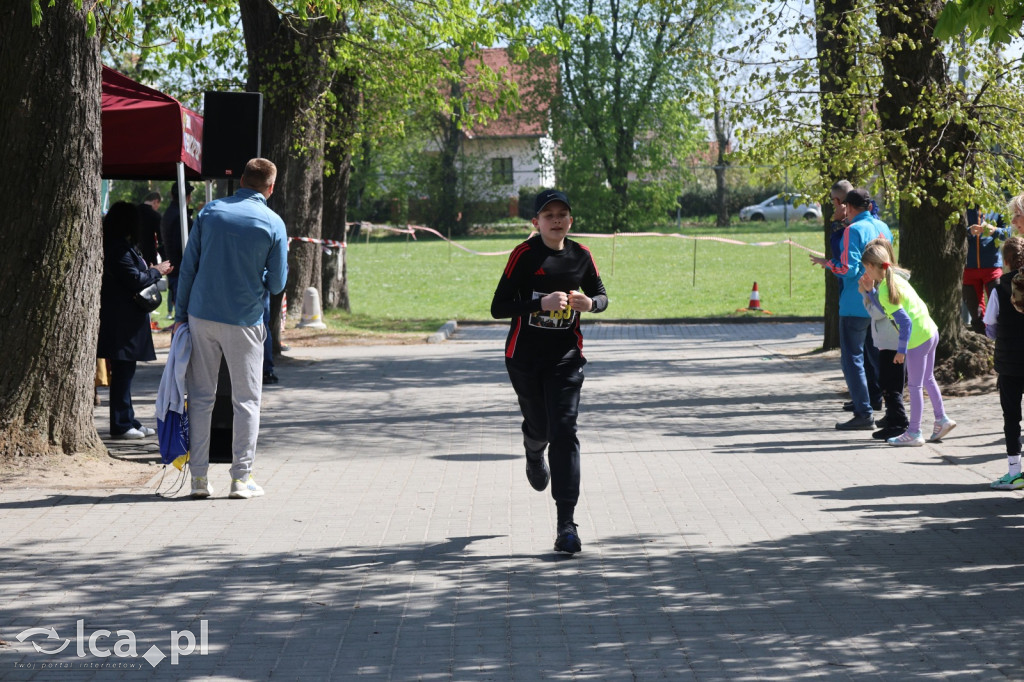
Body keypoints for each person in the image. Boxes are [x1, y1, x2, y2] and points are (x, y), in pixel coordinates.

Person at [490, 189, 609, 554]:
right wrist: (538, 303)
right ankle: (531, 449)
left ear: (570, 220)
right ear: (536, 222)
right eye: (548, 214)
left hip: (566, 359)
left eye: (562, 214)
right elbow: (498, 307)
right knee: (541, 428)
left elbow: (602, 296)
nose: (556, 220)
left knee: (565, 432)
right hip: (524, 358)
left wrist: (591, 303)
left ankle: (566, 525)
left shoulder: (581, 255)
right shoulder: (524, 256)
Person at [172, 159, 288, 499]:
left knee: (201, 397)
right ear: (271, 187)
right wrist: (261, 277)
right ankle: (241, 478)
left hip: (202, 314)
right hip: (245, 319)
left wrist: (180, 315)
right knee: (247, 400)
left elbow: (188, 267)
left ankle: (198, 478)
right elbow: (278, 281)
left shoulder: (209, 213)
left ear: (240, 179)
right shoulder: (273, 222)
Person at [859, 239, 956, 446]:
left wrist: (901, 350)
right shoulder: (894, 280)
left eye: (865, 267)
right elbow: (887, 307)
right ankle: (942, 419)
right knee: (928, 378)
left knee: (914, 386)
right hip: (931, 332)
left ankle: (914, 433)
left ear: (871, 266)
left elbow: (905, 323)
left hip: (917, 340)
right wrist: (870, 292)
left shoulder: (886, 289)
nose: (865, 271)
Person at [810, 188, 892, 430]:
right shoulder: (884, 227)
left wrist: (829, 264)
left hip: (855, 303)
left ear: (848, 207)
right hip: (882, 299)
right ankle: (891, 406)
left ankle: (863, 413)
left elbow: (850, 268)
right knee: (879, 357)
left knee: (852, 359)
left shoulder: (852, 230)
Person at [96, 202, 174, 439]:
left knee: (126, 371)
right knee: (122, 372)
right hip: (121, 319)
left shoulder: (123, 246)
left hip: (128, 318)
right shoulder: (117, 248)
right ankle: (120, 424)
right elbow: (134, 279)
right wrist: (156, 271)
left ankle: (128, 418)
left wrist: (148, 270)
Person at [983, 237, 1024, 489]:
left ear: (1006, 262)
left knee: (1012, 417)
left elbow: (990, 328)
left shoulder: (999, 289)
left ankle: (1014, 472)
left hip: (1010, 363)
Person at [861, 239, 909, 440]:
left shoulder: (886, 285)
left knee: (890, 384)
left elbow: (878, 313)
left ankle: (899, 422)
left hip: (892, 343)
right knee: (889, 382)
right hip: (890, 342)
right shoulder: (888, 281)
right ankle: (892, 417)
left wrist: (866, 293)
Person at [963, 207, 1005, 334]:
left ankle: (1000, 339)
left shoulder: (996, 204)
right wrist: (968, 231)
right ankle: (983, 338)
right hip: (969, 268)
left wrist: (995, 230)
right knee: (975, 314)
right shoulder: (964, 204)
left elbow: (1008, 232)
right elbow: (952, 232)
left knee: (999, 307)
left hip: (992, 266)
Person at [161, 181, 194, 320]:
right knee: (183, 318)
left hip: (175, 269)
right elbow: (184, 247)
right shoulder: (179, 216)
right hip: (181, 271)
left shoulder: (170, 213)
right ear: (188, 196)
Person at [137, 191, 163, 266]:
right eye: (157, 206)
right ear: (155, 201)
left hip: (132, 254)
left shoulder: (133, 212)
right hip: (149, 256)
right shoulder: (155, 216)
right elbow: (161, 240)